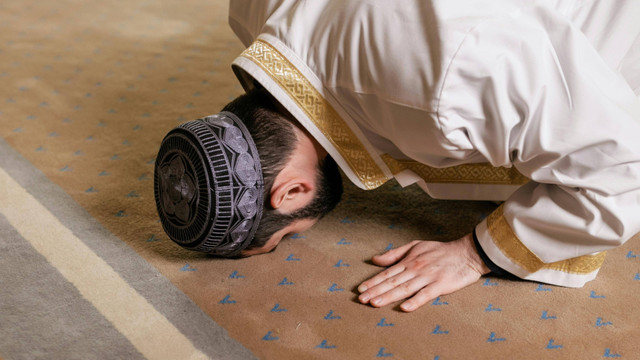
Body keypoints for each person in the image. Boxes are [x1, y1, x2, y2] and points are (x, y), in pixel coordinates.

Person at [154, 0, 640, 312]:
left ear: (292, 192)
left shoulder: (445, 90)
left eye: (283, 237)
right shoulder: (250, 9)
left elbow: (624, 165)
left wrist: (474, 255)